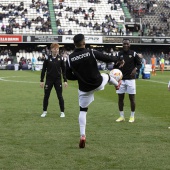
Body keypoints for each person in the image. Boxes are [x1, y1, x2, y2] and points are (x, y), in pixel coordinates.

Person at [66, 34, 124, 148]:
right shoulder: (91, 52)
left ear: (74, 44)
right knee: (107, 76)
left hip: (84, 88)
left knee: (83, 110)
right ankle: (117, 85)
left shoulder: (69, 58)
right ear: (84, 42)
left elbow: (68, 76)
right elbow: (107, 58)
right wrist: (118, 60)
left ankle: (82, 135)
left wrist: (80, 77)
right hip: (97, 82)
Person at [114, 39, 142, 123]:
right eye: (124, 44)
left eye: (127, 44)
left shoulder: (133, 54)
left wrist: (135, 69)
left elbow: (140, 64)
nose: (125, 45)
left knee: (132, 98)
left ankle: (132, 116)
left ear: (129, 45)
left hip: (130, 79)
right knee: (120, 98)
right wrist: (117, 65)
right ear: (122, 45)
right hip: (121, 80)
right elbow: (115, 66)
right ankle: (121, 116)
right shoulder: (119, 54)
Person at [40, 43, 68, 118]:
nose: (56, 50)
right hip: (49, 80)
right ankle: (44, 111)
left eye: (57, 49)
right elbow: (43, 70)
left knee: (60, 96)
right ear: (51, 49)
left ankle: (62, 112)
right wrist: (42, 80)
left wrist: (65, 80)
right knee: (46, 96)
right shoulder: (47, 58)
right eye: (55, 49)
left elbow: (64, 70)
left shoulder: (61, 58)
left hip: (58, 80)